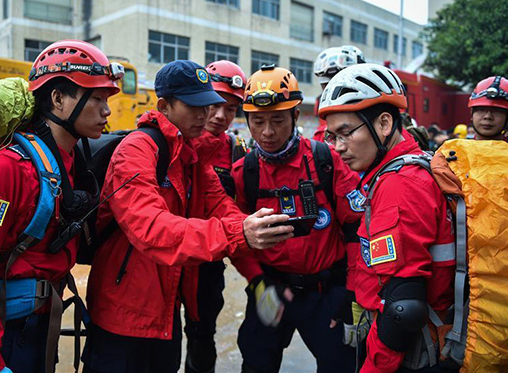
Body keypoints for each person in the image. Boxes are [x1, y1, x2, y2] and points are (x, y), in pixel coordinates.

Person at [81, 60, 293, 373]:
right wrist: (240, 234)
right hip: (123, 315)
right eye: (194, 106)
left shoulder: (189, 157)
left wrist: (262, 236)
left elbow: (223, 207)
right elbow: (151, 228)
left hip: (167, 312)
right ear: (164, 106)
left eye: (209, 105)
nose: (206, 115)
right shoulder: (138, 149)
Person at [0, 40, 122, 373]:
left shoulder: (67, 165)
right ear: (57, 99)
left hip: (38, 332)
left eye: (107, 99)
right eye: (96, 98)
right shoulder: (8, 169)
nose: (107, 110)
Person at [319, 63, 456, 372]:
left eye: (345, 133)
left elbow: (402, 309)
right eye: (332, 136)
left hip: (414, 351)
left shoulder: (401, 184)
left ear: (384, 123)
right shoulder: (402, 168)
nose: (338, 147)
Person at [231, 64, 363, 373]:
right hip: (271, 290)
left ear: (295, 115)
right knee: (256, 363)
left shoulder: (324, 160)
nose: (267, 132)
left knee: (341, 365)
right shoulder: (244, 173)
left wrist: (352, 293)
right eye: (257, 121)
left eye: (277, 120)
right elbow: (236, 238)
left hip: (327, 293)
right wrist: (257, 282)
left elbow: (357, 230)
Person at [183, 60, 247, 373]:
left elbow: (239, 216)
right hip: (164, 259)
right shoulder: (168, 142)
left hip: (208, 264)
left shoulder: (236, 150)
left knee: (202, 339)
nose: (221, 116)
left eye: (232, 109)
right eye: (215, 104)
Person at [312, 45, 365, 142]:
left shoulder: (375, 124)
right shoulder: (320, 138)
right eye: (327, 86)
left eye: (341, 87)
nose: (333, 94)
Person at [468, 76, 508, 141]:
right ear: (471, 113)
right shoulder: (454, 149)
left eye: (496, 111)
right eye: (481, 110)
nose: (488, 116)